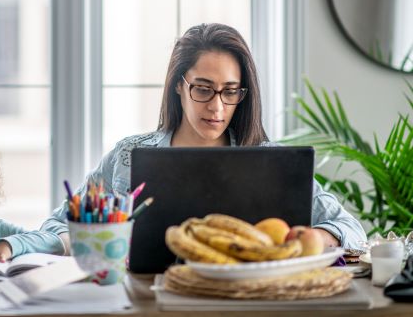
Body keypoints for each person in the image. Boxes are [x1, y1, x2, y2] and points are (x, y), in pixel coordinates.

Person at [41, 23, 366, 253]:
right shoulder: (127, 155)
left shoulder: (272, 160)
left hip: (256, 304)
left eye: (229, 92)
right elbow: (59, 225)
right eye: (203, 89)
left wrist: (313, 237)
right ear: (179, 85)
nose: (216, 106)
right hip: (144, 301)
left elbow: (351, 229)